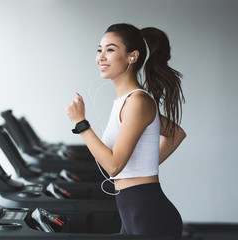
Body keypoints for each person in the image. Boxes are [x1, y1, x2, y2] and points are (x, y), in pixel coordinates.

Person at [65, 23, 186, 239]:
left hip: (149, 215)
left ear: (132, 57)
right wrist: (144, 165)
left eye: (110, 50)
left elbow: (113, 167)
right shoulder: (127, 101)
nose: (101, 57)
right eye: (99, 49)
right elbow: (176, 133)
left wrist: (81, 123)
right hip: (133, 211)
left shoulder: (137, 101)